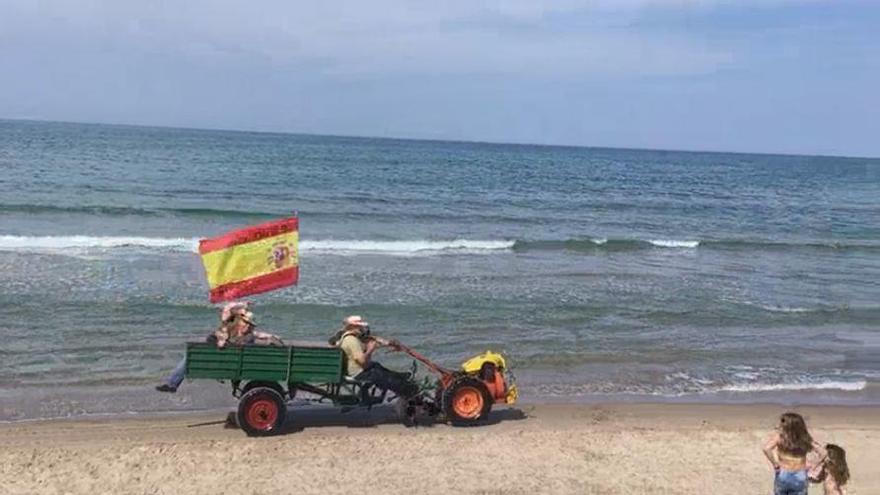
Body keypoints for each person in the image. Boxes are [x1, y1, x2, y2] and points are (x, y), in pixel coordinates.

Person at [156, 302, 282, 393]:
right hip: (225, 362)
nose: (246, 326)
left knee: (190, 356)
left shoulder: (241, 334)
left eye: (248, 324)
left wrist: (240, 305)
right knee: (192, 355)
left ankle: (172, 384)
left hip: (221, 363)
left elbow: (227, 310)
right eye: (245, 322)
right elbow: (227, 312)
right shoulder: (243, 334)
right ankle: (172, 384)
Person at [334, 315, 418, 399]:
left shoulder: (349, 338)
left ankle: (404, 377)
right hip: (358, 373)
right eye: (360, 327)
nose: (363, 329)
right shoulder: (351, 341)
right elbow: (362, 361)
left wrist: (391, 344)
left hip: (357, 370)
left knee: (376, 366)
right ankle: (409, 391)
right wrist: (370, 349)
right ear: (352, 327)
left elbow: (372, 340)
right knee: (380, 375)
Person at [762, 412, 827, 495]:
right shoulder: (804, 439)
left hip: (783, 472)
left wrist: (775, 463)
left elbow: (766, 448)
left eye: (782, 423)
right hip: (800, 474)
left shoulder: (780, 437)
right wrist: (815, 464)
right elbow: (823, 453)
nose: (779, 425)